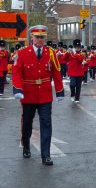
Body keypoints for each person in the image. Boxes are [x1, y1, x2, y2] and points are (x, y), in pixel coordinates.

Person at [12, 25, 64, 165]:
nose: (40, 40)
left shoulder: (51, 53)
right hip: (28, 95)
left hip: (45, 95)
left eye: (42, 37)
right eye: (38, 37)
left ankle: (46, 155)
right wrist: (18, 89)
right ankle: (27, 146)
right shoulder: (22, 53)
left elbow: (56, 72)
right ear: (32, 37)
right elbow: (16, 72)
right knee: (27, 123)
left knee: (46, 123)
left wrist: (59, 91)